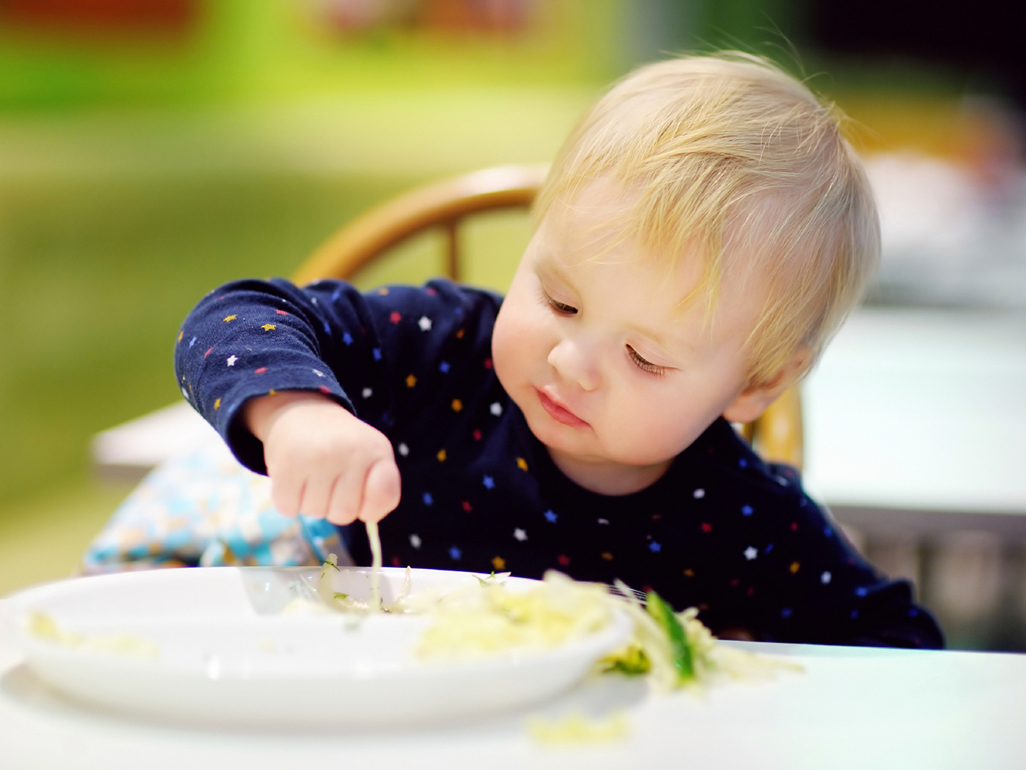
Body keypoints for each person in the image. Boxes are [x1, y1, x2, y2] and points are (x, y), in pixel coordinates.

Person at [175, 52, 943, 647]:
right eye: (561, 300)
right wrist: (298, 414)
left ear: (758, 383)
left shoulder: (740, 518)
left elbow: (899, 652)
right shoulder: (443, 352)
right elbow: (236, 316)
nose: (571, 362)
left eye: (645, 357)